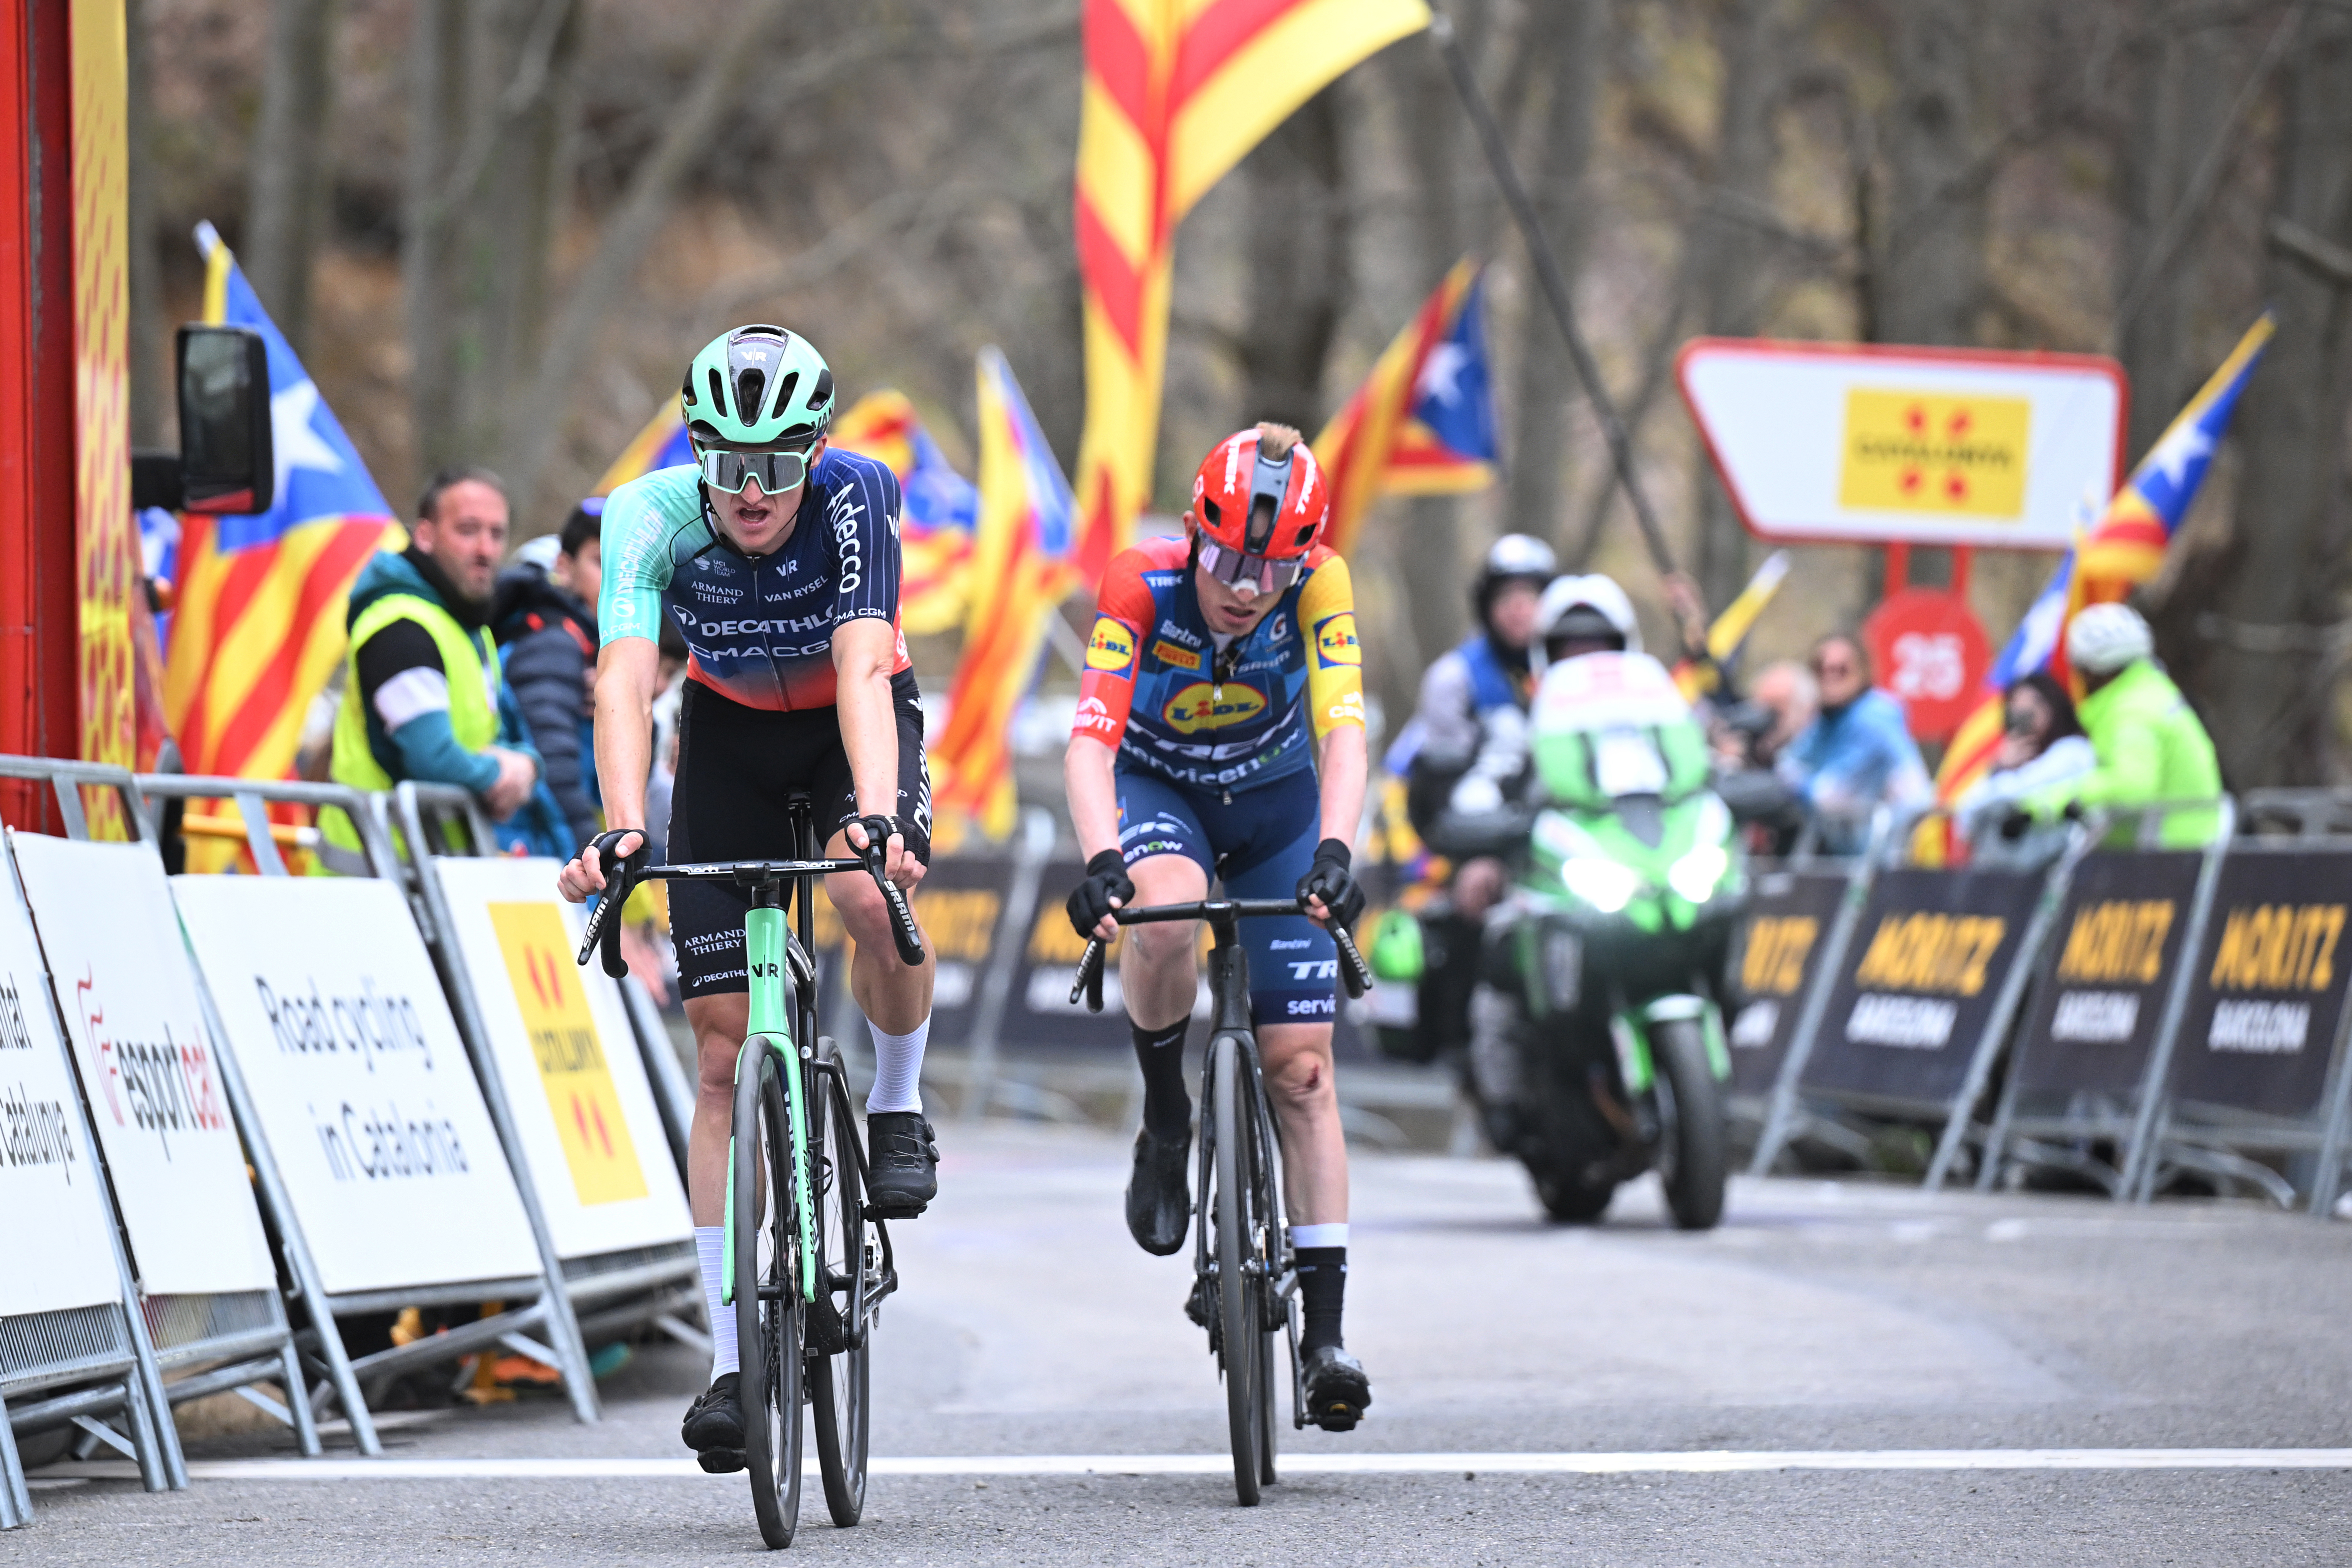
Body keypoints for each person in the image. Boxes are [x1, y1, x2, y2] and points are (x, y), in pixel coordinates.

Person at [553, 325, 938, 1475]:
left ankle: (898, 1100)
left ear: (814, 451)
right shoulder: (646, 511)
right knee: (721, 1055)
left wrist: (877, 812)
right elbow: (624, 679)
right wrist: (621, 823)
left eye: (778, 464)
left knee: (871, 901)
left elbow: (867, 664)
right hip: (722, 738)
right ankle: (732, 1360)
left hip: (844, 728)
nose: (753, 490)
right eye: (729, 462)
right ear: (698, 449)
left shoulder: (858, 493)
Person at [1063, 423, 1374, 1432]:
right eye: (1229, 559)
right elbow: (1088, 743)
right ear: (1194, 534)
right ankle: (1166, 1114)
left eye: (1271, 566)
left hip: (1278, 807)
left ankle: (1323, 1333)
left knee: (1303, 1071)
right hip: (1162, 792)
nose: (1245, 585)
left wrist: (1337, 847)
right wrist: (1101, 859)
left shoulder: (1321, 587)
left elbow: (1344, 731)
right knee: (1158, 924)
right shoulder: (1139, 584)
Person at [323, 467, 544, 868]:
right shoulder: (401, 627)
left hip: (434, 877)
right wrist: (504, 773)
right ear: (424, 535)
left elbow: (502, 737)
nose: (486, 549)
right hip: (370, 885)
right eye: (468, 530)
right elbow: (433, 758)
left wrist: (526, 763)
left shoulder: (469, 629)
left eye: (497, 534)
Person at [1386, 532, 1557, 837]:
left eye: (1531, 597)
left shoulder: (1570, 669)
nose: (1519, 609)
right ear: (1487, 606)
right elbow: (1442, 783)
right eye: (1506, 598)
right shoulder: (1454, 677)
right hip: (1480, 826)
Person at [2009, 602, 2221, 847]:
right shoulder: (2151, 693)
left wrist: (2053, 803)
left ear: (2094, 672)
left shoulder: (2133, 712)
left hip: (2170, 854)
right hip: (2185, 844)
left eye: (2079, 670)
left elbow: (2131, 787)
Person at [495, 499, 604, 852]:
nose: (619, 580)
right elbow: (555, 770)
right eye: (601, 563)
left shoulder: (588, 648)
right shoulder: (554, 644)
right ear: (564, 567)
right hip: (529, 854)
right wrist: (593, 855)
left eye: (630, 566)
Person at [1776, 632, 1932, 851]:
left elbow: (1827, 796)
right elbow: (1788, 763)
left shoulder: (1874, 717)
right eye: (1820, 668)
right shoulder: (1828, 718)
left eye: (1842, 669)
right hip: (1848, 852)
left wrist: (1795, 782)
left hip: (1893, 856)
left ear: (1863, 671)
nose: (1829, 677)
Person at [1954, 670, 2095, 862]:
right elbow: (1964, 817)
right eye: (2017, 710)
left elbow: (2019, 794)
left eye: (2036, 704)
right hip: (2005, 868)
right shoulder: (2003, 765)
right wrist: (1999, 769)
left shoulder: (2073, 751)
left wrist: (2003, 777)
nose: (2027, 716)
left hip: (2057, 862)